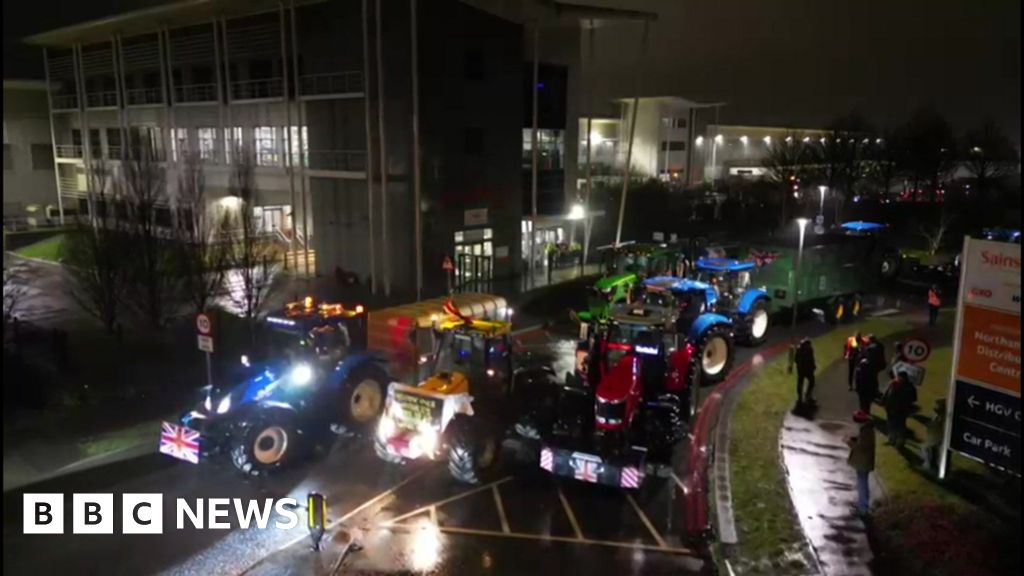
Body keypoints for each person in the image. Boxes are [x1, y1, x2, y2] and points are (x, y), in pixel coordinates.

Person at [846, 410, 876, 517]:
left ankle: (863, 508)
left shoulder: (866, 431)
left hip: (863, 462)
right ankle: (862, 505)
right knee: (862, 483)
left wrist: (849, 442)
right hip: (863, 462)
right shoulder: (866, 429)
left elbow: (861, 447)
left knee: (862, 485)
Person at [883, 371, 916, 447]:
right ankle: (891, 439)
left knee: (900, 425)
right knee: (891, 424)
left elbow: (913, 398)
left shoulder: (908, 386)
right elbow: (887, 394)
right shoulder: (893, 384)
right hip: (890, 409)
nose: (898, 378)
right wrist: (884, 402)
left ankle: (900, 441)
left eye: (899, 377)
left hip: (901, 410)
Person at [921, 398, 947, 472]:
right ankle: (933, 465)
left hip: (938, 437)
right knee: (933, 451)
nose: (935, 407)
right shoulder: (938, 415)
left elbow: (937, 425)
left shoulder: (941, 416)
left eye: (937, 406)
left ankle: (928, 465)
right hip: (936, 437)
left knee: (925, 448)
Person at [794, 337, 817, 405]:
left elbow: (796, 360)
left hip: (800, 369)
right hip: (807, 370)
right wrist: (813, 367)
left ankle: (800, 398)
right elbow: (811, 360)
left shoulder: (799, 349)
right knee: (812, 381)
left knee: (800, 383)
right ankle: (808, 395)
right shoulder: (809, 349)